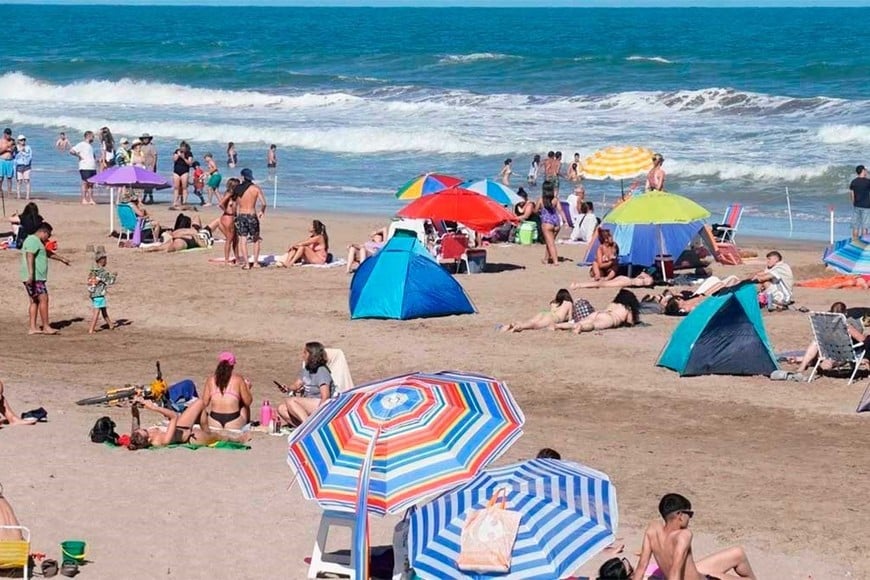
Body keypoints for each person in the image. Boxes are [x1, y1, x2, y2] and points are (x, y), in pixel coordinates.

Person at [632, 493, 756, 580]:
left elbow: (641, 567)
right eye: (689, 514)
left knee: (737, 552)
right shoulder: (683, 535)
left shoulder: (653, 529)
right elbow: (675, 570)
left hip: (691, 574)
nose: (690, 518)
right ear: (680, 515)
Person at [127, 396, 250, 450]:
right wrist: (154, 408)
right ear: (148, 440)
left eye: (143, 429)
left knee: (200, 403)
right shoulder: (161, 441)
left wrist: (135, 407)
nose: (147, 430)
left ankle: (206, 429)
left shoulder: (137, 435)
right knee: (219, 437)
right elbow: (174, 416)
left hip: (181, 426)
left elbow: (135, 421)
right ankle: (240, 440)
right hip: (189, 437)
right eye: (147, 432)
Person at [20, 222, 70, 335]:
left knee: (34, 301)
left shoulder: (37, 242)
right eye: (49, 235)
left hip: (34, 277)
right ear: (43, 232)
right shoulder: (33, 240)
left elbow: (46, 253)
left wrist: (61, 259)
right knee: (44, 299)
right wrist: (31, 275)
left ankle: (32, 327)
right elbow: (30, 256)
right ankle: (46, 326)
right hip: (35, 277)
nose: (49, 238)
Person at [793, 301, 865, 376]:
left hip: (828, 352)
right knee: (827, 364)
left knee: (815, 342)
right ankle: (814, 363)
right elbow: (862, 340)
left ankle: (802, 366)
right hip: (844, 355)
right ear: (846, 313)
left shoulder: (825, 325)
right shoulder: (848, 325)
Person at [275, 342, 335, 427]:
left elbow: (325, 396)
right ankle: (303, 427)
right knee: (281, 408)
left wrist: (319, 414)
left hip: (321, 403)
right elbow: (296, 385)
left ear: (312, 355)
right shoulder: (306, 369)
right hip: (309, 402)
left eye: (305, 353)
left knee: (291, 401)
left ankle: (308, 426)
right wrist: (288, 388)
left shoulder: (321, 371)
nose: (302, 355)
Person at [201, 352, 253, 430]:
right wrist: (247, 388)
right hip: (234, 421)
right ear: (232, 366)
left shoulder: (210, 380)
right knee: (243, 403)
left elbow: (204, 403)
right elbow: (248, 402)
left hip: (214, 420)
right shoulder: (238, 379)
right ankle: (247, 423)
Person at [233, 168, 267, 269]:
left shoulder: (238, 189)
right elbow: (264, 203)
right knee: (256, 239)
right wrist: (262, 211)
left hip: (242, 215)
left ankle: (247, 264)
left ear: (242, 177)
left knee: (243, 239)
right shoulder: (255, 188)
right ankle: (255, 263)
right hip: (252, 215)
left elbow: (235, 203)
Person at [499, 288, 575, 332]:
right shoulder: (569, 303)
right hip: (554, 317)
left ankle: (512, 324)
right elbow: (571, 319)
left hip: (545, 312)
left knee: (530, 321)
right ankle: (519, 327)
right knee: (535, 325)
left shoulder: (554, 303)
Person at [571, 289, 640, 334]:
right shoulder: (627, 308)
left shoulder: (613, 303)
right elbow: (630, 322)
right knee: (593, 325)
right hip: (610, 318)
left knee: (578, 323)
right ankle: (581, 328)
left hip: (599, 313)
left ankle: (561, 325)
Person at [87, 248, 117, 334]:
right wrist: (114, 276)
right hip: (99, 294)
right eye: (105, 259)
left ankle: (110, 324)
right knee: (97, 311)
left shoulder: (93, 270)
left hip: (93, 293)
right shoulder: (102, 271)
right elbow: (110, 281)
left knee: (103, 309)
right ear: (102, 260)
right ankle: (91, 329)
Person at [538, 182, 567, 265]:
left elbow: (536, 210)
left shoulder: (541, 200)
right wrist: (565, 221)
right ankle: (546, 259)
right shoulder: (555, 200)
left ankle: (555, 261)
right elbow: (560, 210)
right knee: (549, 241)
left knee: (551, 243)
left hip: (547, 224)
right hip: (556, 223)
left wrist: (539, 211)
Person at [70, 130, 97, 205]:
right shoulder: (82, 144)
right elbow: (72, 151)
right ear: (88, 136)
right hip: (85, 166)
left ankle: (91, 199)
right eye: (92, 136)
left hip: (92, 167)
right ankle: (84, 199)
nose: (93, 138)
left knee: (91, 184)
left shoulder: (90, 146)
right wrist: (79, 156)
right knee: (85, 183)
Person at [217, 178, 240, 265]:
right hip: (228, 218)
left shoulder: (234, 195)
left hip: (232, 217)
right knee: (229, 239)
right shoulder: (229, 194)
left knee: (235, 239)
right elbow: (220, 204)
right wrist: (227, 211)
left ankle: (237, 259)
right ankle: (226, 260)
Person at [171, 141, 194, 209]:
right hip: (176, 171)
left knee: (184, 187)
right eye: (181, 147)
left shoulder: (189, 153)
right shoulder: (177, 151)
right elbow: (174, 160)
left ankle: (184, 201)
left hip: (185, 171)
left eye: (184, 148)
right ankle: (175, 201)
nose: (182, 149)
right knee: (176, 187)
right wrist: (178, 155)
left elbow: (190, 163)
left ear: (186, 148)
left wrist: (183, 158)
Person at [849, 165, 870, 239]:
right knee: (865, 227)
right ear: (863, 171)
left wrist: (854, 203)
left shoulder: (854, 182)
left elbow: (852, 195)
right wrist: (868, 175)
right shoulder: (868, 182)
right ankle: (863, 243)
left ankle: (854, 242)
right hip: (866, 206)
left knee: (855, 226)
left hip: (857, 205)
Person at [572, 271, 654, 289]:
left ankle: (581, 284)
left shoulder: (645, 276)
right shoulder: (649, 280)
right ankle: (579, 285)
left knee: (603, 283)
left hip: (625, 278)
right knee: (603, 284)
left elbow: (642, 273)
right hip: (627, 281)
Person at [139, 133, 158, 204]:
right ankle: (145, 198)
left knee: (149, 184)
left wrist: (153, 167)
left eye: (146, 138)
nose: (145, 140)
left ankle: (149, 198)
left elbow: (155, 157)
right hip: (143, 167)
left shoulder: (151, 146)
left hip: (150, 167)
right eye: (144, 138)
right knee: (144, 184)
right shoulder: (141, 146)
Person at [13, 135, 32, 200]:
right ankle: (18, 196)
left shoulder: (28, 147)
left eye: (24, 140)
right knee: (19, 181)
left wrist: (24, 152)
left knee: (27, 181)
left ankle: (27, 196)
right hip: (19, 166)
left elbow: (30, 156)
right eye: (21, 140)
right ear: (18, 141)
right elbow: (14, 157)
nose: (23, 141)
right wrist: (19, 151)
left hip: (26, 166)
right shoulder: (16, 148)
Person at [0, 128, 16, 201]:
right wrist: (6, 148)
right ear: (5, 134)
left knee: (9, 178)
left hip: (10, 161)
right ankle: (0, 191)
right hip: (2, 160)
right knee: (1, 177)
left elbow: (14, 150)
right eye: (8, 134)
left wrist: (12, 148)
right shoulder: (1, 141)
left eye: (10, 134)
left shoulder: (12, 141)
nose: (9, 136)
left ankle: (9, 192)